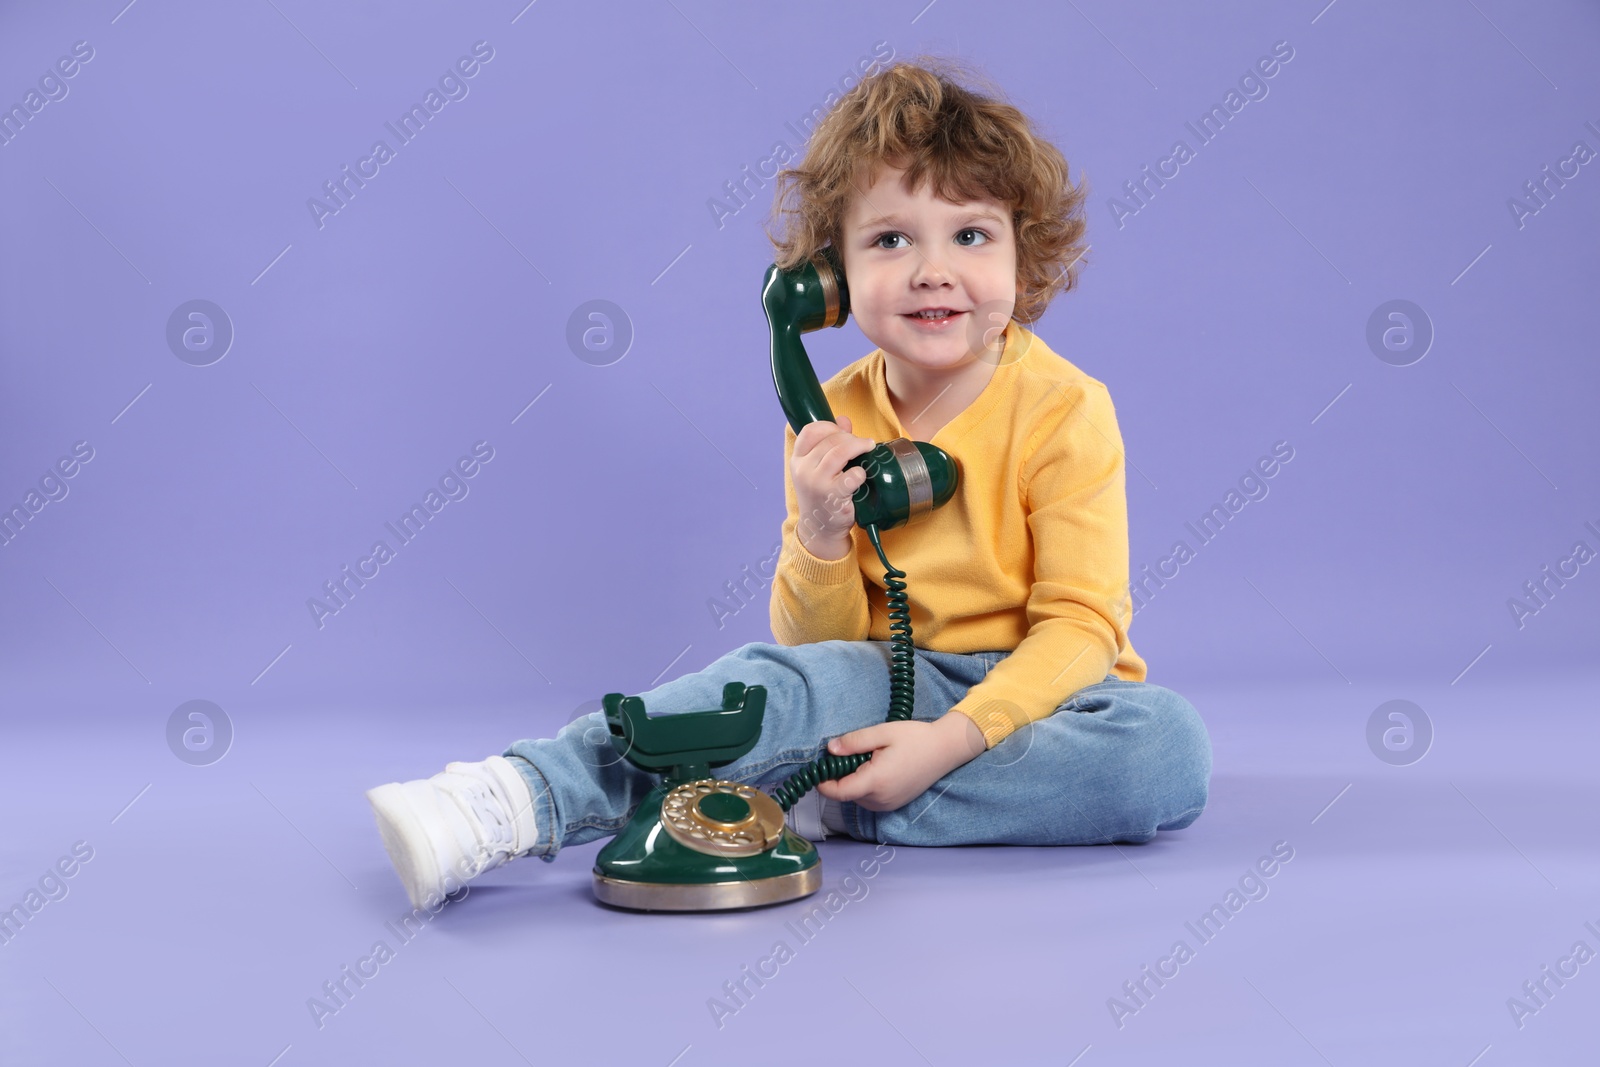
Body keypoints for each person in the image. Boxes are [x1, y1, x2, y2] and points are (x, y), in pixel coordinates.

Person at [365, 55, 1212, 912]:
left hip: (1043, 692)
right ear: (830, 282)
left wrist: (948, 741)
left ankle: (823, 797)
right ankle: (515, 796)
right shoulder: (830, 415)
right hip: (880, 677)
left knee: (1166, 751)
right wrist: (818, 532)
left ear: (1023, 256)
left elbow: (1081, 625)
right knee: (771, 689)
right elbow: (813, 651)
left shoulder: (1066, 408)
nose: (932, 269)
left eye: (971, 234)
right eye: (890, 239)